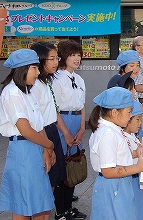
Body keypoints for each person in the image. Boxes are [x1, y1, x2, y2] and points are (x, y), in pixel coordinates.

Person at [0, 49, 55, 220]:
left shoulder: (27, 92)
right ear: (22, 69)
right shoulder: (12, 93)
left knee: (40, 203)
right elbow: (26, 130)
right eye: (34, 68)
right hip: (23, 150)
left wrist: (46, 149)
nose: (38, 72)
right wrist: (49, 145)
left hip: (36, 147)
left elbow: (39, 124)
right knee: (23, 205)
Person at [88, 87, 143, 220]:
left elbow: (118, 155)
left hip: (118, 184)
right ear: (114, 112)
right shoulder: (108, 134)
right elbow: (108, 171)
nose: (131, 116)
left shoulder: (112, 129)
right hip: (113, 186)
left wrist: (136, 153)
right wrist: (138, 167)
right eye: (129, 112)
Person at [30, 42, 72, 220]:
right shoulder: (34, 85)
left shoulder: (46, 81)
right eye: (52, 58)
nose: (56, 62)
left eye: (57, 58)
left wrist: (65, 133)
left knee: (53, 180)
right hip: (42, 133)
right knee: (44, 182)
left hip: (51, 131)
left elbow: (53, 111)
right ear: (40, 60)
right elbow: (36, 119)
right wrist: (48, 147)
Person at [52, 39, 87, 220]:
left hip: (76, 121)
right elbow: (54, 109)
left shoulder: (79, 79)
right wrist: (65, 132)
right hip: (61, 122)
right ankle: (60, 211)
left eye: (79, 55)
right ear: (63, 57)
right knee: (61, 165)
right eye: (72, 55)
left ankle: (69, 207)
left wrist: (82, 129)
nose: (76, 58)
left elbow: (82, 106)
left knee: (72, 162)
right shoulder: (56, 79)